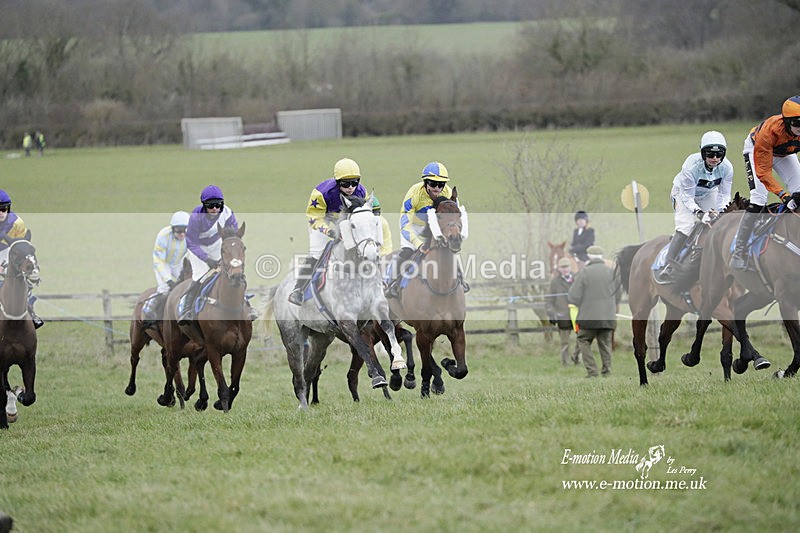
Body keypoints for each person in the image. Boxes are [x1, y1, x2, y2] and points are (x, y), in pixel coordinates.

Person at [731, 95, 800, 270]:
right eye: (798, 123)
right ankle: (738, 251)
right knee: (759, 198)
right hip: (757, 150)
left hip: (784, 153)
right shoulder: (770, 130)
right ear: (787, 122)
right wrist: (784, 196)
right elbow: (763, 173)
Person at [288, 158, 367, 305]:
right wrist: (329, 231)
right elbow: (313, 217)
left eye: (354, 182)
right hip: (322, 218)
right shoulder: (322, 193)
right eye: (345, 184)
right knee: (317, 252)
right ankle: (298, 290)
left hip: (344, 219)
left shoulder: (362, 191)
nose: (351, 187)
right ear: (338, 182)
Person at [657, 131, 733, 283]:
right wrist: (699, 214)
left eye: (719, 155)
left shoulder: (727, 168)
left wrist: (720, 213)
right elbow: (687, 197)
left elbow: (724, 196)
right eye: (710, 154)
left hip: (708, 193)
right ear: (703, 153)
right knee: (686, 226)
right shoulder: (691, 166)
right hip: (682, 194)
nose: (715, 159)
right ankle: (668, 265)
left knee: (718, 225)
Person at [386, 161, 453, 298]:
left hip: (436, 229)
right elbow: (405, 224)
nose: (437, 188)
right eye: (433, 184)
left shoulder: (449, 193)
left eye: (441, 184)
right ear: (425, 182)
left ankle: (460, 281)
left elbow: (454, 218)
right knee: (407, 252)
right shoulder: (414, 193)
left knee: (450, 253)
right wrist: (419, 244)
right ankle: (391, 283)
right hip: (414, 227)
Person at [178, 185, 243, 324]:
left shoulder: (227, 213)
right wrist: (207, 259)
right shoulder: (196, 216)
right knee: (200, 277)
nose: (215, 209)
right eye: (210, 205)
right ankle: (186, 310)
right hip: (197, 247)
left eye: (218, 205)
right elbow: (191, 243)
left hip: (216, 244)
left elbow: (234, 236)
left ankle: (245, 303)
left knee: (233, 270)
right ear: (204, 206)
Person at [567, 245, 621, 378]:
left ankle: (592, 371)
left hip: (588, 317)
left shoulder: (584, 272)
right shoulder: (611, 272)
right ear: (601, 257)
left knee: (583, 341)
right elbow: (618, 296)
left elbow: (573, 297)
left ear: (589, 256)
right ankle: (606, 371)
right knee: (605, 344)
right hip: (607, 317)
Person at [0, 189, 43, 328]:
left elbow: (21, 248)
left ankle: (30, 308)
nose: (1, 212)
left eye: (4, 208)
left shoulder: (17, 223)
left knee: (23, 279)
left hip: (8, 253)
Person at [141, 211, 189, 327]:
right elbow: (159, 261)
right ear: (172, 229)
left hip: (178, 263)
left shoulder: (191, 235)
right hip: (163, 263)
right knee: (164, 288)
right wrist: (168, 280)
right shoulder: (163, 235)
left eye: (185, 231)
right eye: (179, 231)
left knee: (186, 286)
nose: (182, 234)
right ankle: (151, 311)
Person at [546, 257, 580, 367]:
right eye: (562, 267)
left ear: (570, 267)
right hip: (563, 316)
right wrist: (551, 313)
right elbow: (549, 300)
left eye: (567, 267)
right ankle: (565, 363)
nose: (565, 269)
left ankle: (576, 358)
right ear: (559, 269)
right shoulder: (554, 282)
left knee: (581, 339)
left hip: (578, 315)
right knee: (564, 342)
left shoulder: (578, 279)